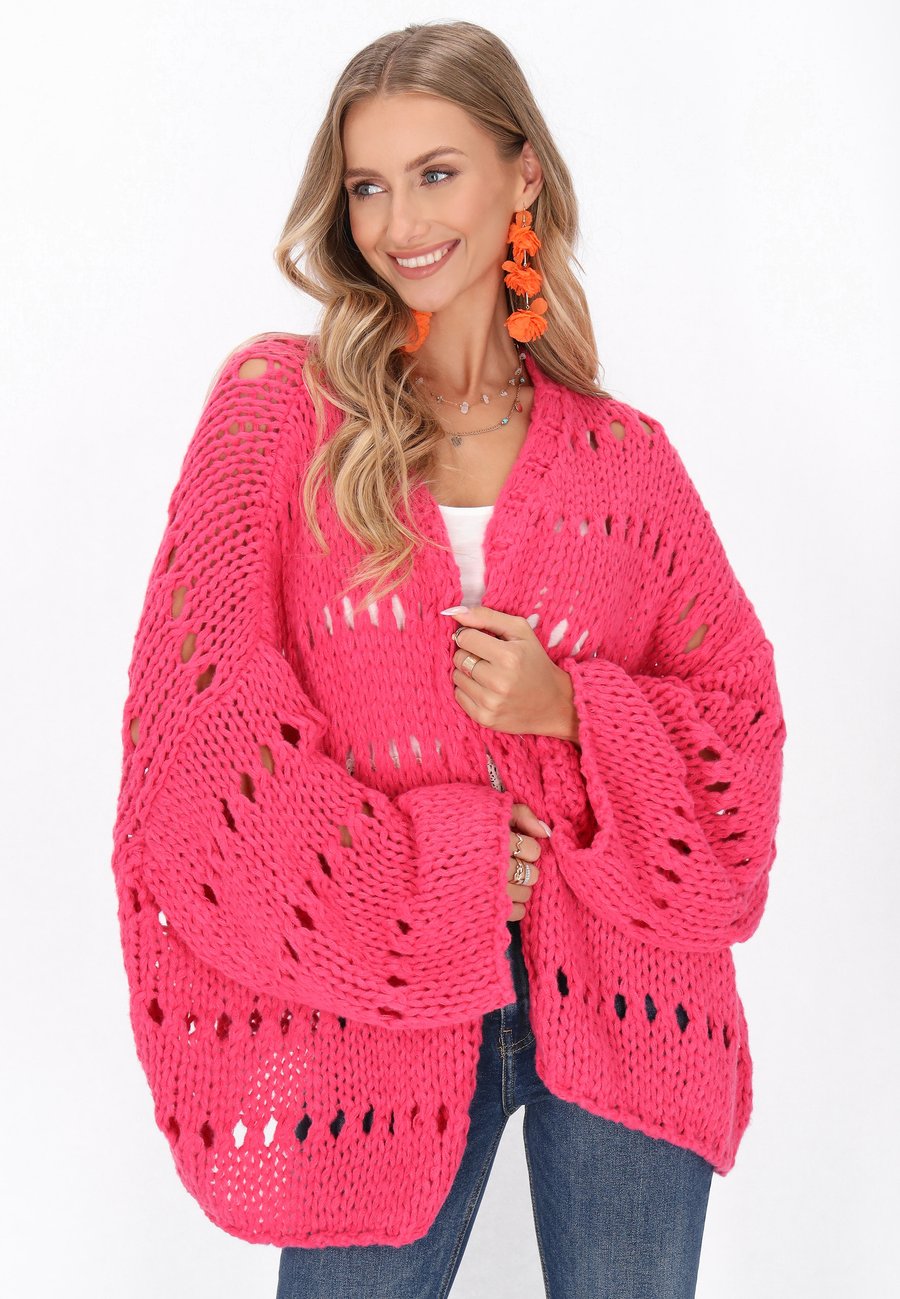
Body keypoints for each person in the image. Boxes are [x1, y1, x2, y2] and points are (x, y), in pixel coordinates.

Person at [110, 20, 785, 1299]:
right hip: (374, 1006)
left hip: (632, 990)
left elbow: (742, 746)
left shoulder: (626, 463)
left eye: (436, 173)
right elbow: (198, 745)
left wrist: (573, 709)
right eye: (368, 185)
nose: (401, 221)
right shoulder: (279, 414)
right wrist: (453, 865)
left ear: (521, 175)